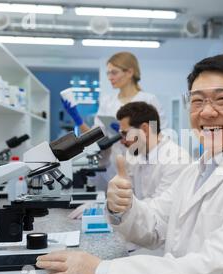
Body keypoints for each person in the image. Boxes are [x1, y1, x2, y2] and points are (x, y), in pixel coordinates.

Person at [37, 55, 223, 274]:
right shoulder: (197, 170)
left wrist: (101, 272)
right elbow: (154, 226)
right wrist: (122, 208)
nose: (207, 112)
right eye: (197, 101)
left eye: (222, 99)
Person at [69, 101, 190, 256]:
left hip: (162, 247)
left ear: (145, 129)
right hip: (140, 235)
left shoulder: (176, 160)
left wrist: (107, 211)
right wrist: (103, 205)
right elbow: (129, 198)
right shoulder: (138, 156)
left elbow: (158, 213)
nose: (122, 140)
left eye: (125, 133)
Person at [61, 52, 168, 189]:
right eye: (108, 73)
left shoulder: (148, 100)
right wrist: (77, 119)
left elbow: (159, 135)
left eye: (114, 72)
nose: (110, 77)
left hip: (142, 164)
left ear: (129, 72)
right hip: (113, 166)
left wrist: (131, 132)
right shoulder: (107, 102)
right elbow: (95, 135)